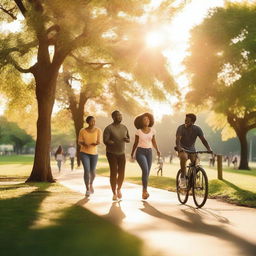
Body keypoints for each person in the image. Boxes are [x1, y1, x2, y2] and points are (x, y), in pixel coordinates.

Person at [175, 113, 212, 188]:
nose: (185, 122)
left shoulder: (197, 129)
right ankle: (182, 178)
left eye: (188, 121)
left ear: (193, 122)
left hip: (192, 150)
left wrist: (209, 149)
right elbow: (178, 139)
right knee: (184, 157)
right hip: (182, 149)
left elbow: (203, 140)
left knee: (196, 164)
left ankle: (193, 178)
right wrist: (179, 148)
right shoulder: (181, 128)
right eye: (185, 120)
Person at [131, 113, 161, 200]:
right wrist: (132, 153)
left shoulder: (153, 131)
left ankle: (144, 191)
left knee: (147, 173)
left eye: (148, 119)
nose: (147, 120)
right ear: (141, 121)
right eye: (145, 119)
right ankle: (144, 191)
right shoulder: (138, 131)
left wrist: (158, 150)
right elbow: (135, 143)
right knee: (145, 169)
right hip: (140, 152)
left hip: (149, 152)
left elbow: (154, 142)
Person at [103, 110, 130, 201]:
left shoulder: (124, 127)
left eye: (121, 115)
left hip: (122, 153)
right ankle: (114, 192)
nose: (120, 117)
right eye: (118, 116)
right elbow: (105, 140)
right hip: (111, 153)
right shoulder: (109, 128)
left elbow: (128, 139)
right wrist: (111, 142)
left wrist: (126, 140)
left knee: (122, 173)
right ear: (113, 117)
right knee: (113, 172)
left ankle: (119, 189)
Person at [78, 116, 101, 197]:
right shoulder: (82, 130)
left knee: (93, 172)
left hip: (94, 154)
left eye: (94, 121)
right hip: (84, 153)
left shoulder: (98, 130)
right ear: (88, 122)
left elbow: (99, 141)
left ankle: (91, 184)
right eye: (91, 121)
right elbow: (79, 141)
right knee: (87, 170)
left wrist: (95, 143)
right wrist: (84, 144)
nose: (93, 123)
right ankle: (87, 189)